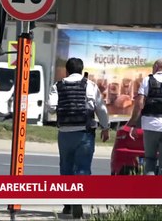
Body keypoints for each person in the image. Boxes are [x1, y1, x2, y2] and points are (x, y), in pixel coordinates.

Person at [47, 57, 110, 218]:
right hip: (84, 133)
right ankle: (78, 201)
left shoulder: (58, 86)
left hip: (65, 133)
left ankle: (68, 204)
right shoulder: (90, 85)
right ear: (82, 71)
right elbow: (101, 109)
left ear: (67, 71)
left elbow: (51, 108)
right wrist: (105, 128)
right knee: (83, 168)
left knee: (66, 168)